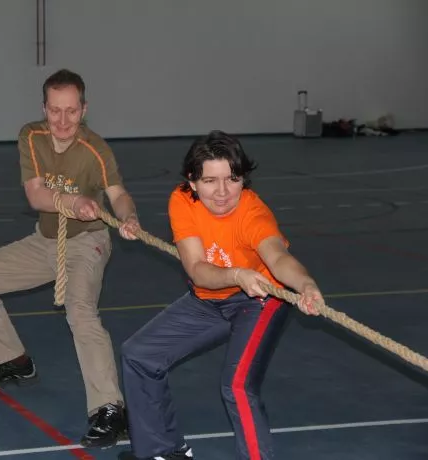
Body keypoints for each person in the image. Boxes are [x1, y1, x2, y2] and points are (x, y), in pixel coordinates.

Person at [0, 69, 141, 448]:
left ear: (83, 110)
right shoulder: (31, 136)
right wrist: (74, 201)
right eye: (55, 110)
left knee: (80, 311)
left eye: (71, 111)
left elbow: (118, 194)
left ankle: (110, 409)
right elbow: (36, 195)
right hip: (45, 241)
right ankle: (14, 361)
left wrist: (129, 217)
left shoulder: (95, 149)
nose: (63, 120)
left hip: (88, 242)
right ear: (44, 109)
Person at [117, 131, 323, 460]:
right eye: (210, 181)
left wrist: (306, 285)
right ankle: (163, 451)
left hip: (260, 300)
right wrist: (236, 275)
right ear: (193, 182)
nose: (223, 192)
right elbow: (198, 270)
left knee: (238, 385)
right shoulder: (182, 200)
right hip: (210, 296)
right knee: (140, 355)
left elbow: (278, 258)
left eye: (232, 179)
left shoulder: (253, 214)